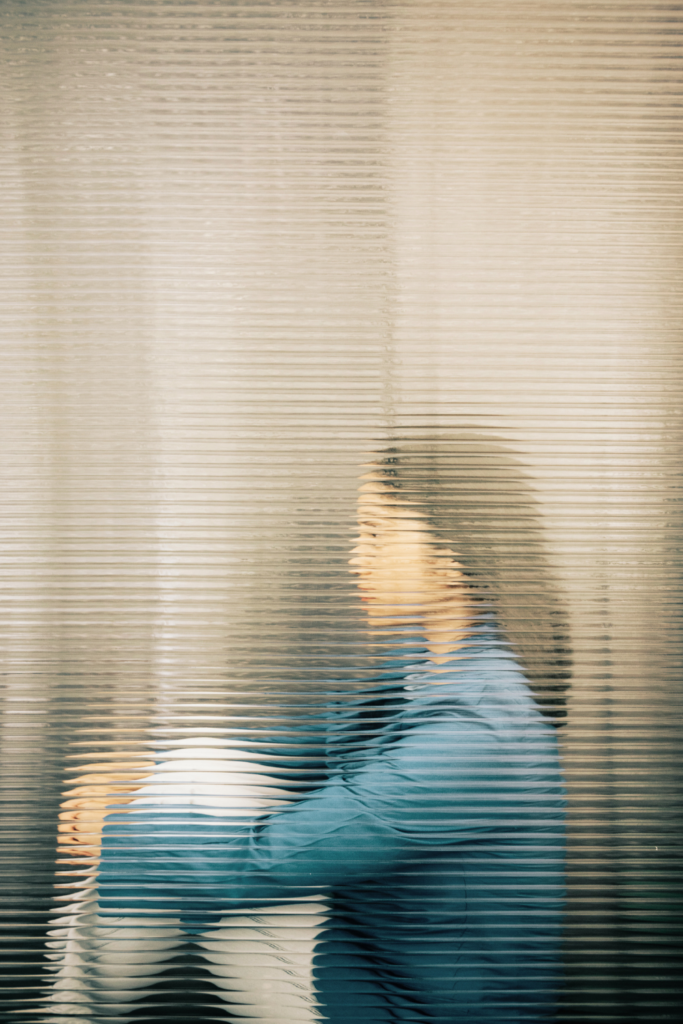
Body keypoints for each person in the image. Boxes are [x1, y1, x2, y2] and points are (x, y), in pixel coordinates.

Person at [45, 432, 570, 1022]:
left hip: (399, 1007)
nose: (354, 557)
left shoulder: (475, 730)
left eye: (374, 534)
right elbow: (313, 762)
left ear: (449, 560)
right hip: (369, 956)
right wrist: (149, 770)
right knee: (194, 770)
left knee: (171, 820)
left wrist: (118, 842)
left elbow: (267, 861)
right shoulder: (440, 660)